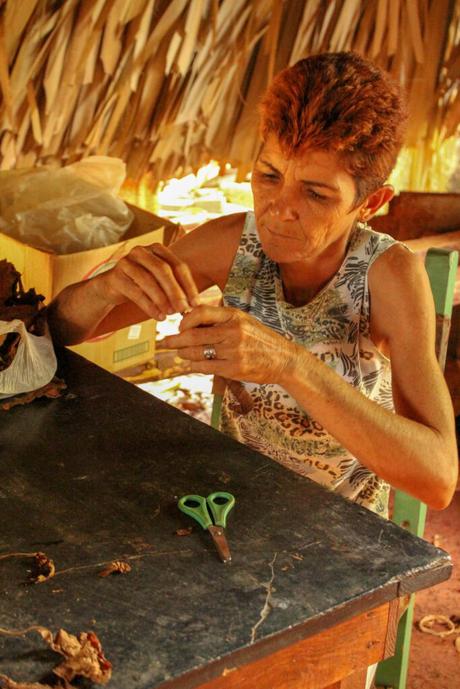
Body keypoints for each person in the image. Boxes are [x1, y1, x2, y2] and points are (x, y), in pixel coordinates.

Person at [48, 51, 458, 518]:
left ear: (370, 203)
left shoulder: (385, 275)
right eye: (269, 176)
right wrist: (104, 288)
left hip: (345, 528)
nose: (278, 209)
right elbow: (59, 334)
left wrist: (291, 365)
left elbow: (438, 477)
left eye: (316, 193)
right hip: (233, 502)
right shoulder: (232, 245)